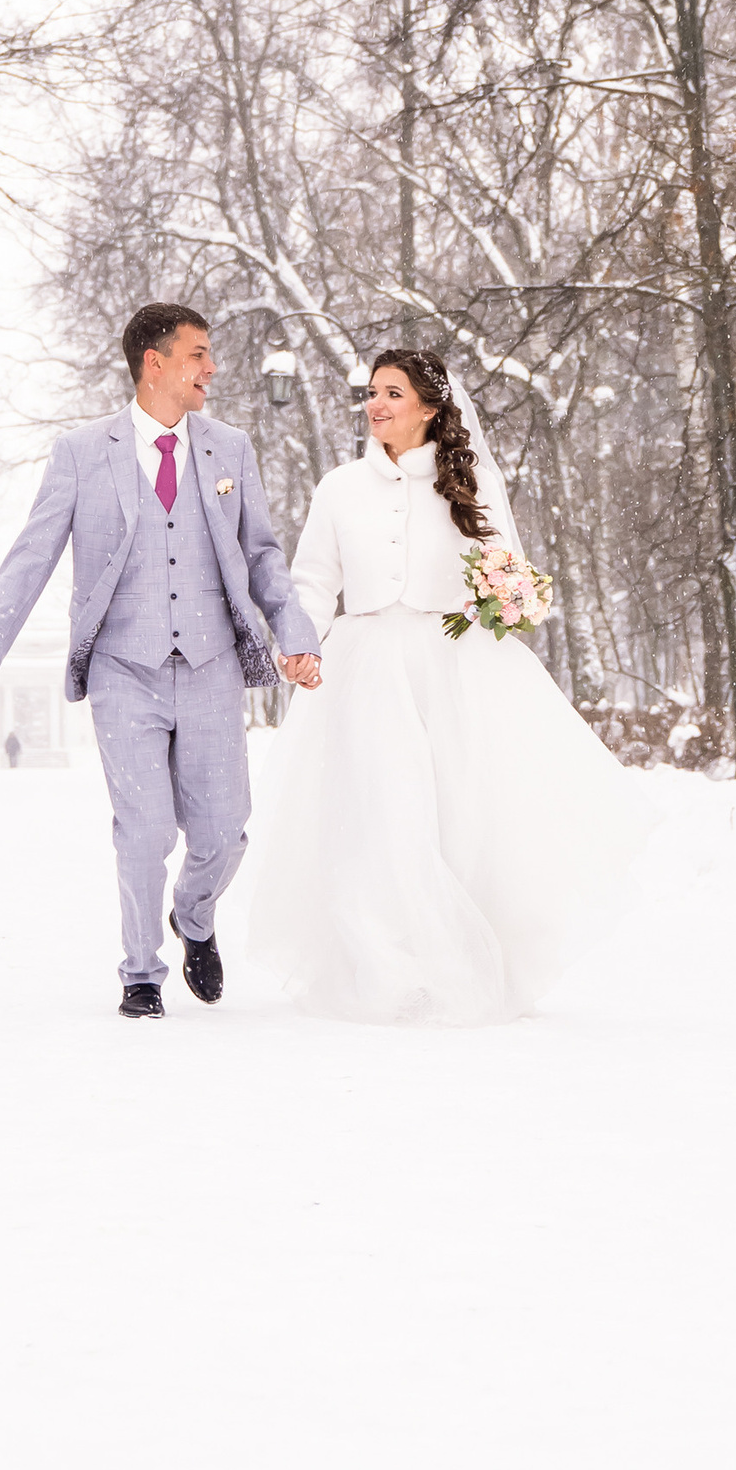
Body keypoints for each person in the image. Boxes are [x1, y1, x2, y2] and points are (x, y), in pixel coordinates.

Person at [245, 348, 641, 1022]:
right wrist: (301, 640)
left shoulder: (470, 484)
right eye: (372, 392)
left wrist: (506, 598)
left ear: (429, 407)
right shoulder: (339, 487)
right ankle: (385, 966)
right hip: (366, 666)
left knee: (455, 813)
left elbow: (505, 572)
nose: (376, 405)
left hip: (453, 664)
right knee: (381, 811)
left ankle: (461, 960)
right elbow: (314, 579)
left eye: (392, 393)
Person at [0, 303, 322, 1016]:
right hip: (124, 667)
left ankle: (194, 915)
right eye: (198, 354)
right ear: (154, 362)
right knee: (146, 827)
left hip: (213, 661)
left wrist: (295, 633)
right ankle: (141, 971)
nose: (211, 368)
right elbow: (31, 556)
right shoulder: (81, 453)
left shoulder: (229, 449)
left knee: (224, 829)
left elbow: (263, 557)